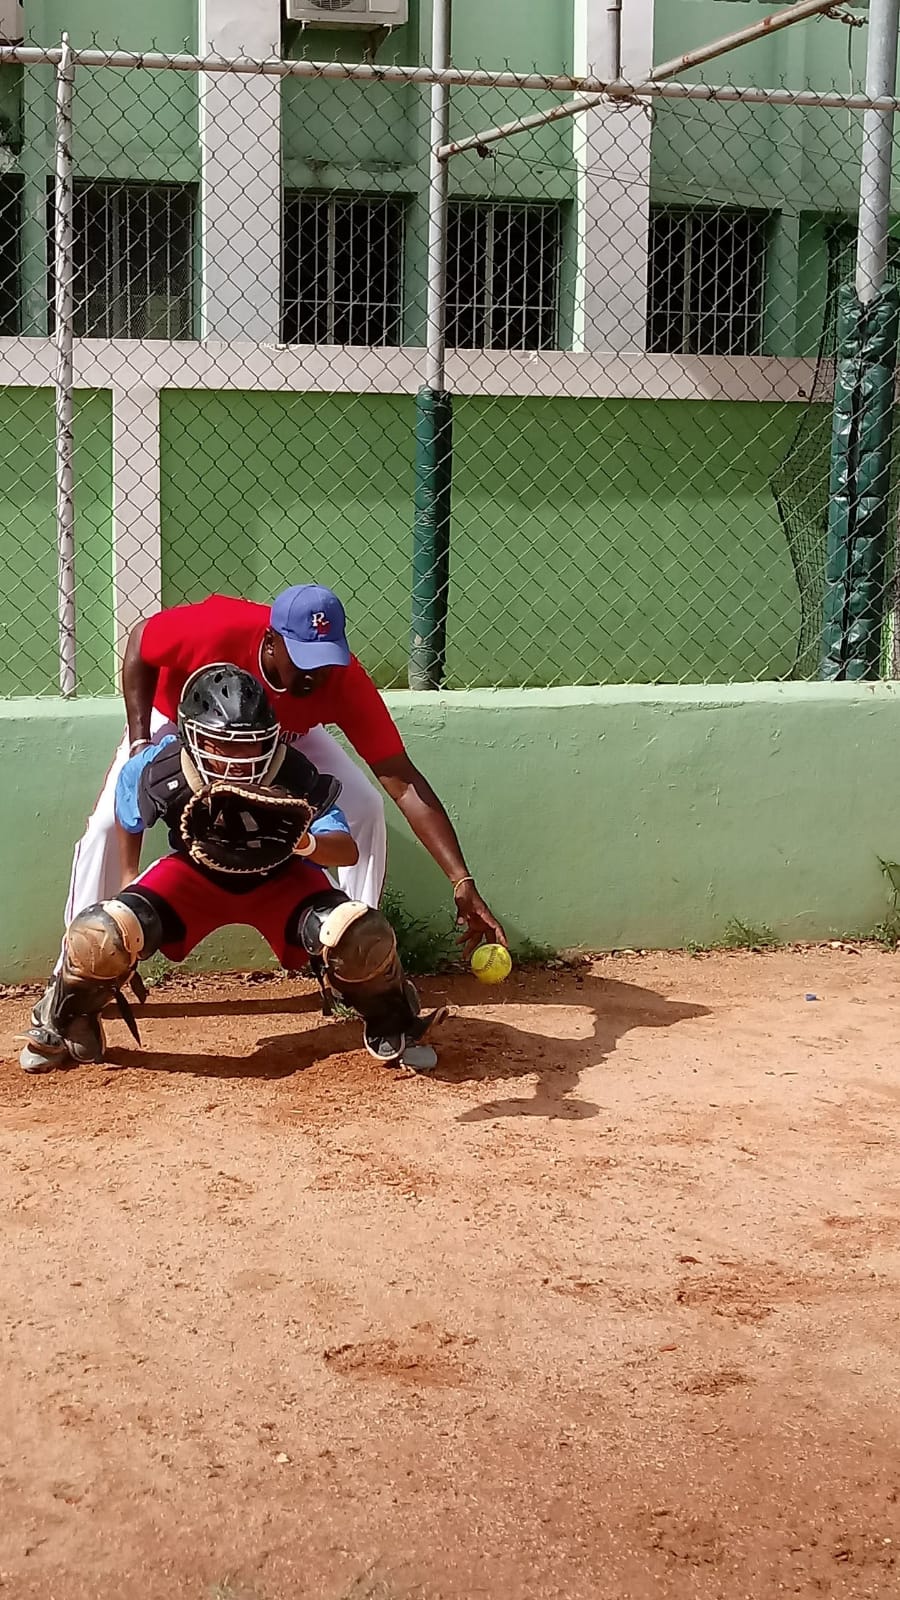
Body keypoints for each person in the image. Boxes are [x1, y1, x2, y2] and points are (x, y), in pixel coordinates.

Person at [20, 664, 447, 1075]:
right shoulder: (164, 767)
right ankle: (65, 1015)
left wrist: (305, 842)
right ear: (191, 737)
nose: (239, 759)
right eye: (223, 745)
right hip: (194, 878)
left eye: (251, 745)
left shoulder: (292, 772)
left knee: (360, 934)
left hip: (283, 879)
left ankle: (393, 1015)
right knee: (100, 934)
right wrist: (129, 873)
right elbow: (128, 812)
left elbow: (346, 852)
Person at [63, 583, 505, 957]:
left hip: (280, 731)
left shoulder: (342, 678)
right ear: (271, 640)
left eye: (326, 657)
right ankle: (83, 959)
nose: (316, 673)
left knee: (366, 807)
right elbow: (140, 641)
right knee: (107, 824)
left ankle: (354, 951)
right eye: (304, 658)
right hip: (184, 719)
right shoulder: (220, 627)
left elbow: (403, 781)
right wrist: (142, 739)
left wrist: (460, 880)